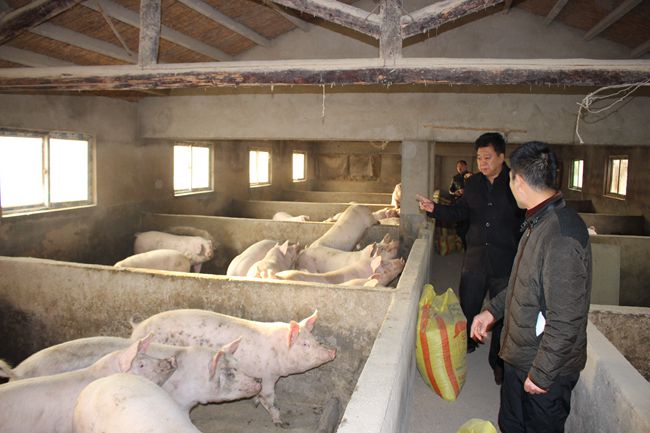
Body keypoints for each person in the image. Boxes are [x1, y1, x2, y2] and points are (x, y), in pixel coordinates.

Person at [470, 141, 592, 433]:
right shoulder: (539, 220)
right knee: (511, 424)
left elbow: (566, 319)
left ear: (519, 182)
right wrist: (492, 311)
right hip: (521, 355)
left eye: (510, 178)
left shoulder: (561, 236)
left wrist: (541, 373)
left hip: (543, 367)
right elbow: (523, 283)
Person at [417, 132, 524, 385]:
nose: (482, 163)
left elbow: (525, 219)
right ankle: (467, 344)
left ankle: (498, 363)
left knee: (502, 314)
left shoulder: (516, 183)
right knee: (469, 304)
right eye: (479, 158)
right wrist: (435, 209)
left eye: (488, 157)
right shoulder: (474, 183)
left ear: (501, 157)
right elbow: (460, 211)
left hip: (505, 260)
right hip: (475, 257)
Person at [448, 160, 471, 249]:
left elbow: (477, 190)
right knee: (460, 226)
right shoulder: (455, 178)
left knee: (468, 226)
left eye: (461, 166)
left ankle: (467, 246)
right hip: (459, 204)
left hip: (470, 205)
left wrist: (466, 191)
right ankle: (463, 245)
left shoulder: (472, 176)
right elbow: (450, 190)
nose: (459, 168)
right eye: (458, 167)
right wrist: (456, 192)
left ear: (466, 166)